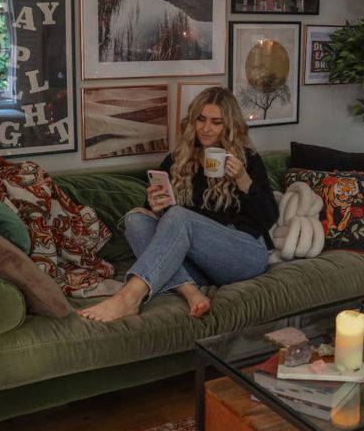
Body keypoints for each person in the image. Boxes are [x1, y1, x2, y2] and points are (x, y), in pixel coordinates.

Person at [79, 87, 278, 323]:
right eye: (201, 119)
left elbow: (268, 218)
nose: (206, 128)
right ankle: (189, 290)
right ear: (192, 121)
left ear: (229, 126)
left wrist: (244, 180)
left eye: (216, 122)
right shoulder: (176, 160)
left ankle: (128, 297)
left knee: (179, 216)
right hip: (198, 265)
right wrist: (155, 205)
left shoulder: (247, 160)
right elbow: (162, 220)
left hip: (243, 254)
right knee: (136, 219)